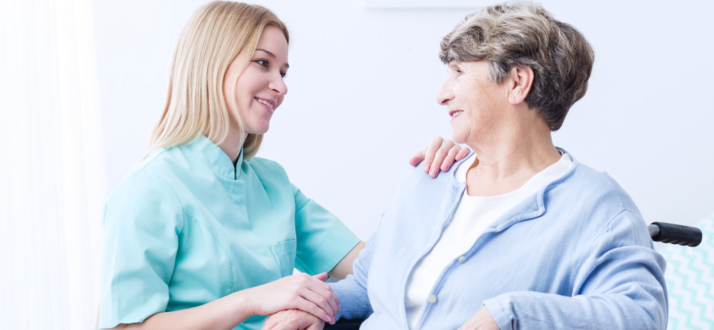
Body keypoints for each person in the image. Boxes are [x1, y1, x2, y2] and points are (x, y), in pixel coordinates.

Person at [263, 2, 668, 330]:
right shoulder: (428, 181)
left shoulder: (599, 208)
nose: (442, 94)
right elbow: (372, 284)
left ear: (517, 83)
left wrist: (511, 314)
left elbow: (642, 317)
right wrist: (320, 305)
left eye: (458, 72)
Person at [98, 2, 466, 330]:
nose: (281, 86)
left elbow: (375, 268)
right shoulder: (150, 188)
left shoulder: (273, 184)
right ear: (213, 65)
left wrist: (436, 180)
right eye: (263, 63)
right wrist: (251, 300)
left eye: (284, 72)